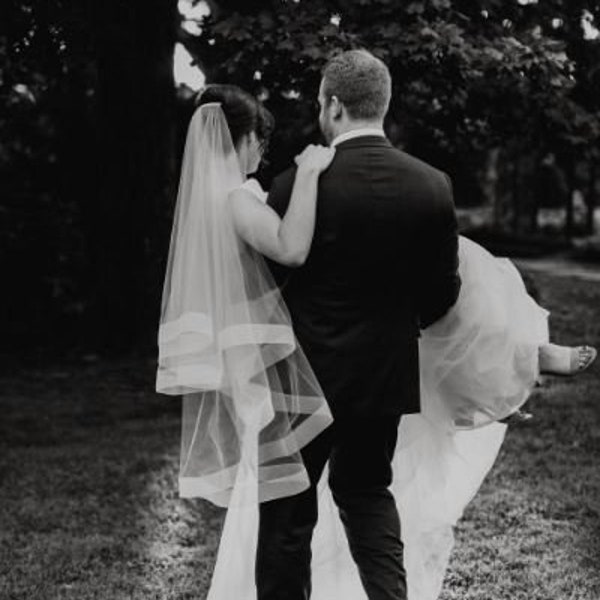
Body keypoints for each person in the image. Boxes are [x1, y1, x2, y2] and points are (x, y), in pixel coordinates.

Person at [156, 58, 597, 600]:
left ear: (332, 105)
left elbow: (269, 284)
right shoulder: (431, 185)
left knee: (288, 516)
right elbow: (441, 295)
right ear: (382, 104)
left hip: (298, 381)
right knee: (366, 494)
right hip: (383, 376)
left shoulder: (295, 184)